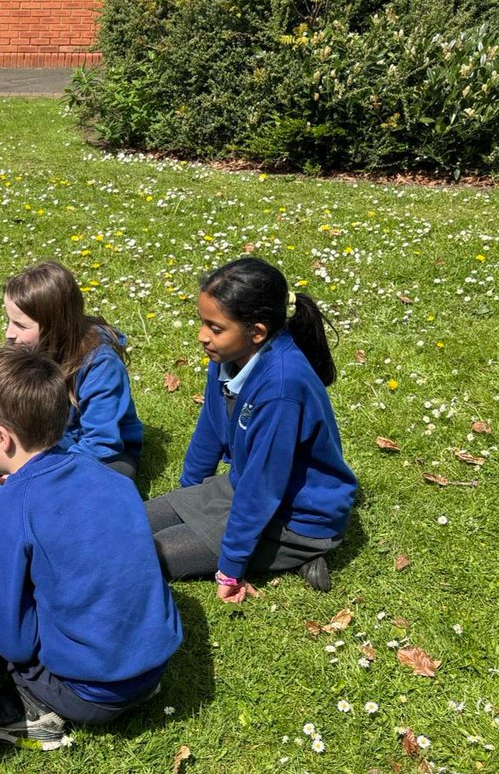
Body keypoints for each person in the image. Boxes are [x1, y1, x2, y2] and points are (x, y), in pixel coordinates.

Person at [0, 346, 183, 750]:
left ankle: (34, 706)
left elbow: (14, 643)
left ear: (2, 437)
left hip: (89, 692)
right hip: (155, 666)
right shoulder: (113, 480)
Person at [144, 256, 357, 600]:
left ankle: (300, 552)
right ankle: (277, 555)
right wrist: (190, 497)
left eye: (214, 328)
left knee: (142, 555)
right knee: (129, 523)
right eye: (202, 323)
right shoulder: (227, 356)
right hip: (242, 487)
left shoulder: (281, 389)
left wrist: (230, 569)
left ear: (256, 332)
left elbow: (263, 485)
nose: (202, 336)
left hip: (297, 517)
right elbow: (209, 429)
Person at [0, 260, 143, 493]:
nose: (9, 333)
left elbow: (102, 443)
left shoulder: (101, 365)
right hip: (40, 444)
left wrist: (40, 465)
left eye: (21, 325)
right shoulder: (27, 347)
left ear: (56, 327)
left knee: (117, 473)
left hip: (92, 453)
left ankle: (9, 485)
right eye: (9, 321)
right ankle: (21, 485)